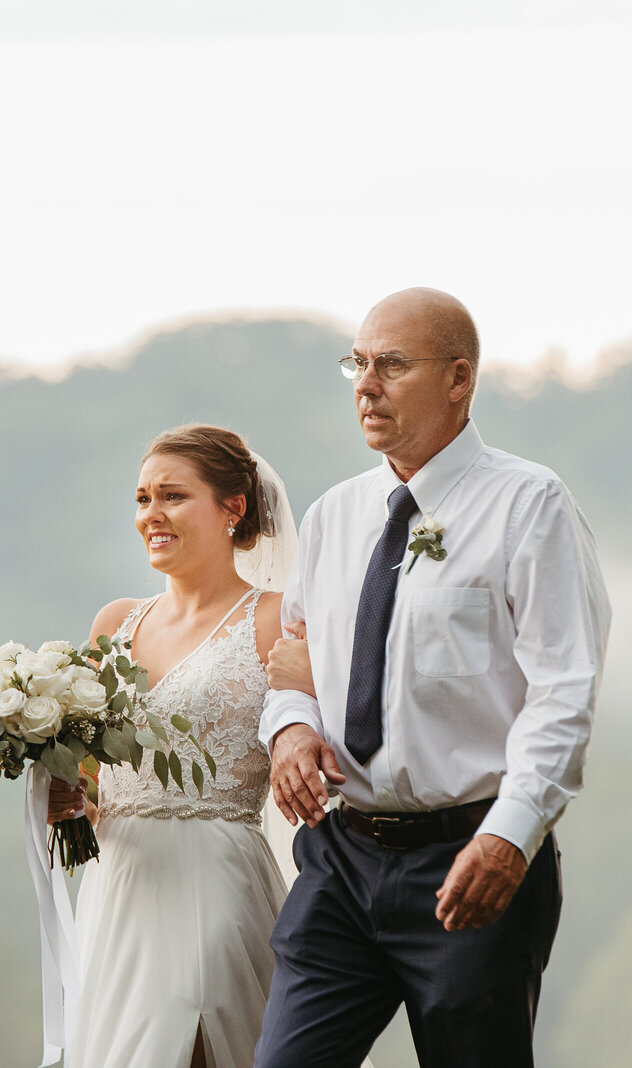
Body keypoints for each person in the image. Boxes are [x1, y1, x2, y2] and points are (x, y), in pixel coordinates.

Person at [256, 287, 612, 1067]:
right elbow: (297, 666)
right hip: (338, 861)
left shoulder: (530, 505)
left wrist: (511, 838)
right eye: (358, 363)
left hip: (470, 858)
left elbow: (564, 692)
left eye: (391, 365)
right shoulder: (334, 516)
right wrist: (288, 732)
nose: (366, 383)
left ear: (459, 379)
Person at [48, 424, 296, 1068]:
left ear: (232, 507)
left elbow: (311, 743)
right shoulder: (115, 624)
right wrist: (64, 793)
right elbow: (95, 786)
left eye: (172, 496)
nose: (150, 515)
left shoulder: (274, 619)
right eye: (141, 498)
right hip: (118, 886)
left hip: (215, 883)